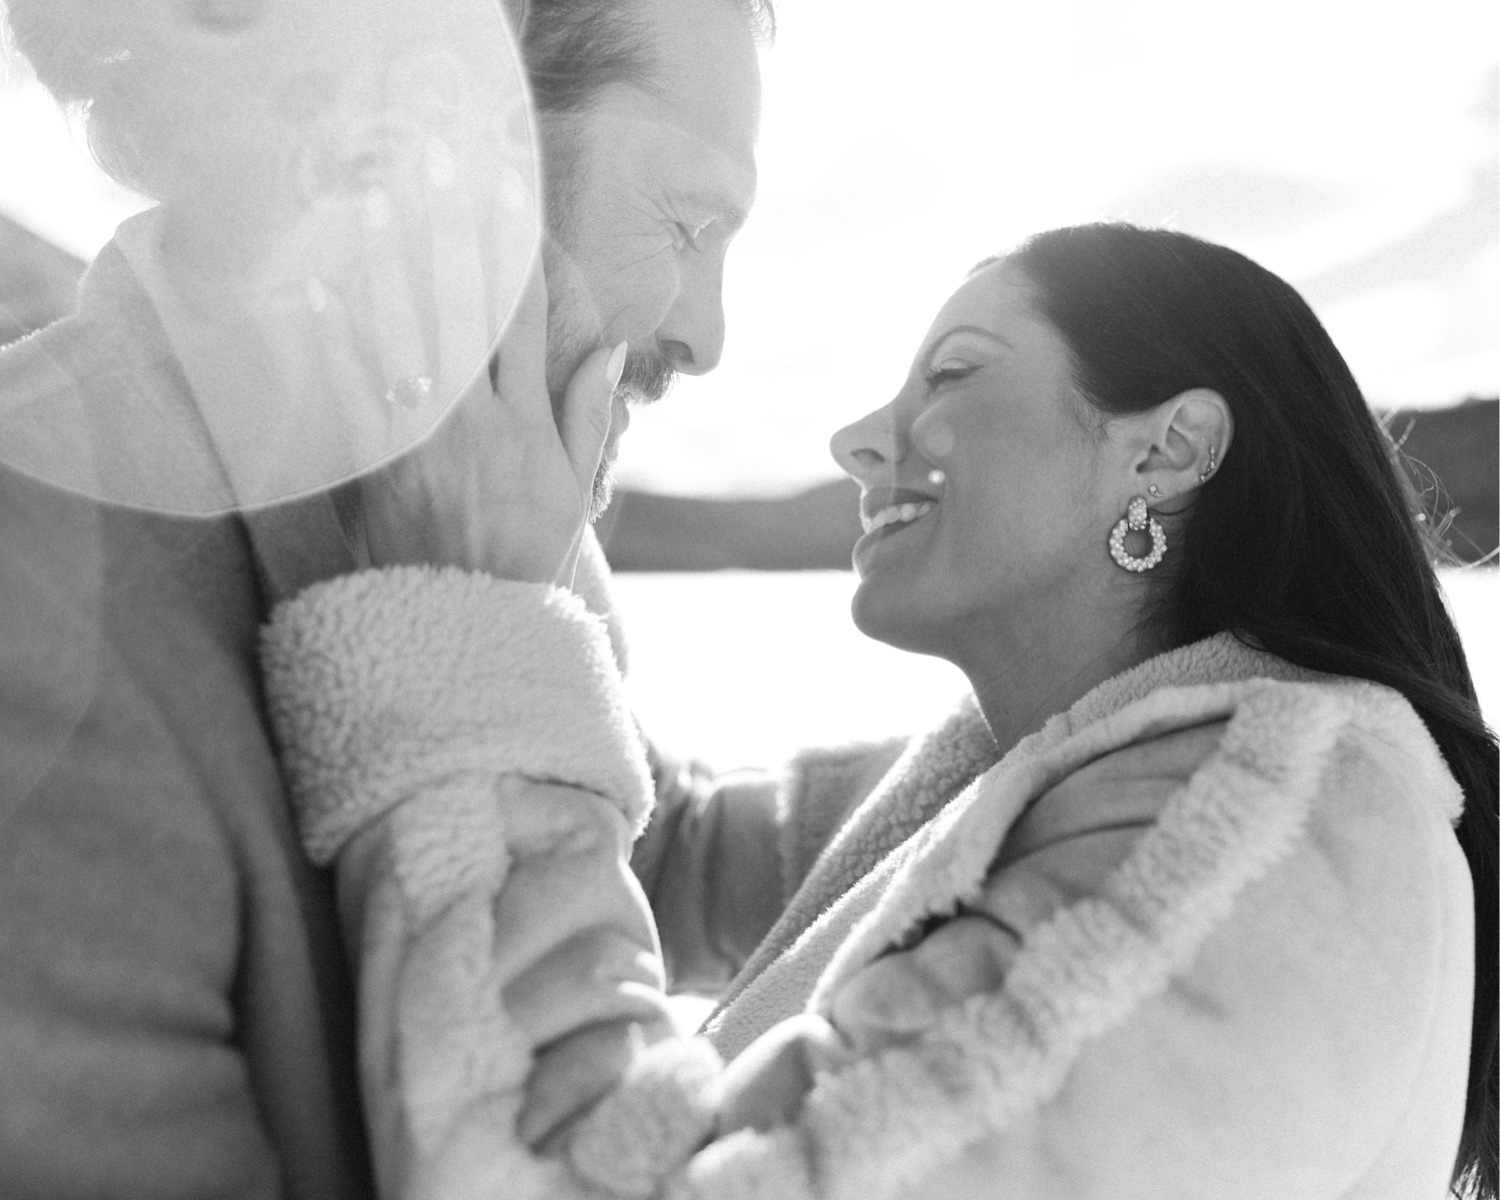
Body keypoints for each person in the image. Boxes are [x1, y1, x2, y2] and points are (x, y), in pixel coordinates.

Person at [313, 222, 1494, 1198]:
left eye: (956, 373)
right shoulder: (1049, 771)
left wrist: (473, 618)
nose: (858, 438)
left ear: (1168, 450)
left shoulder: (1270, 826)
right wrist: (535, 508)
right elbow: (659, 845)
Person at [0, 0, 766, 1196]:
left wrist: (1062, 745)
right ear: (428, 157)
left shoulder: (497, 517)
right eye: (687, 219)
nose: (710, 336)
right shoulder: (36, 629)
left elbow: (661, 843)